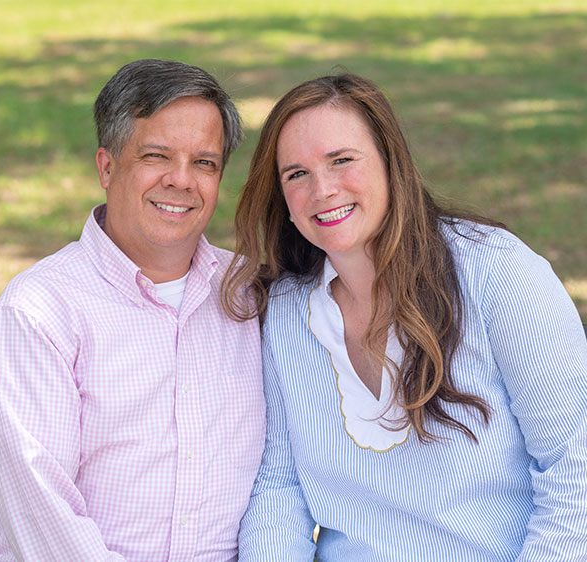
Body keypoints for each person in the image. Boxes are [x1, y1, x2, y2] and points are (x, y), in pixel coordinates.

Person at [222, 73, 587, 561]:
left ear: (392, 163)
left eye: (342, 161)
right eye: (297, 174)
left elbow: (575, 465)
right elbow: (279, 490)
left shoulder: (494, 274)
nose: (323, 189)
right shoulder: (288, 312)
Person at [0, 59, 265, 561]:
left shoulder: (250, 295)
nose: (181, 180)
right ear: (107, 167)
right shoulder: (40, 310)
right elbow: (42, 517)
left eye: (205, 162)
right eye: (156, 156)